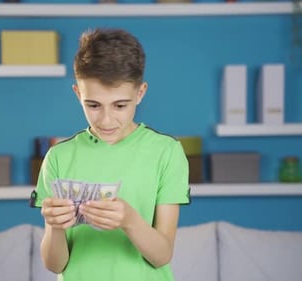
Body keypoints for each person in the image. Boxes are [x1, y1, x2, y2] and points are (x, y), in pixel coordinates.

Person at [29, 28, 190, 281]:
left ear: (140, 93)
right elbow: (54, 264)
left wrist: (129, 221)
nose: (106, 120)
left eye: (120, 105)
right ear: (78, 94)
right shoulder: (58, 157)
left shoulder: (167, 152)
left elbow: (162, 255)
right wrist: (55, 226)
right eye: (93, 105)